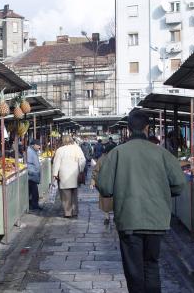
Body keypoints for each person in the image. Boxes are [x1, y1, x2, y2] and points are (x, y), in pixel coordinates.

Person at [96, 109, 186, 293]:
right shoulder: (162, 153)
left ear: (129, 129)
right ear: (147, 128)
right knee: (152, 265)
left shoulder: (117, 153)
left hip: (129, 219)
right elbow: (178, 185)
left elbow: (104, 187)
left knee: (134, 270)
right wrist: (162, 193)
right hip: (156, 220)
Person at [53, 135, 86, 218]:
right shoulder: (77, 148)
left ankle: (68, 212)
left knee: (65, 195)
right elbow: (82, 160)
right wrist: (81, 170)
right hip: (75, 174)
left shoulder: (60, 150)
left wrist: (55, 174)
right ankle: (74, 211)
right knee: (74, 194)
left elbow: (56, 163)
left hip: (64, 175)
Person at [90, 143, 116, 225]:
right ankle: (116, 217)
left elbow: (95, 171)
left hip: (104, 183)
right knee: (116, 201)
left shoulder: (102, 158)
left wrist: (93, 182)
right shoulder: (117, 158)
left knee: (105, 201)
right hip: (115, 182)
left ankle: (107, 217)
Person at [27, 139, 42, 211]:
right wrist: (32, 171)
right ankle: (34, 205)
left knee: (31, 191)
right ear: (34, 145)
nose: (39, 147)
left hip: (33, 173)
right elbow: (28, 163)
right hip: (31, 174)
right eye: (38, 145)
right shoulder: (29, 151)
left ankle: (32, 204)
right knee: (34, 191)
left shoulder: (33, 151)